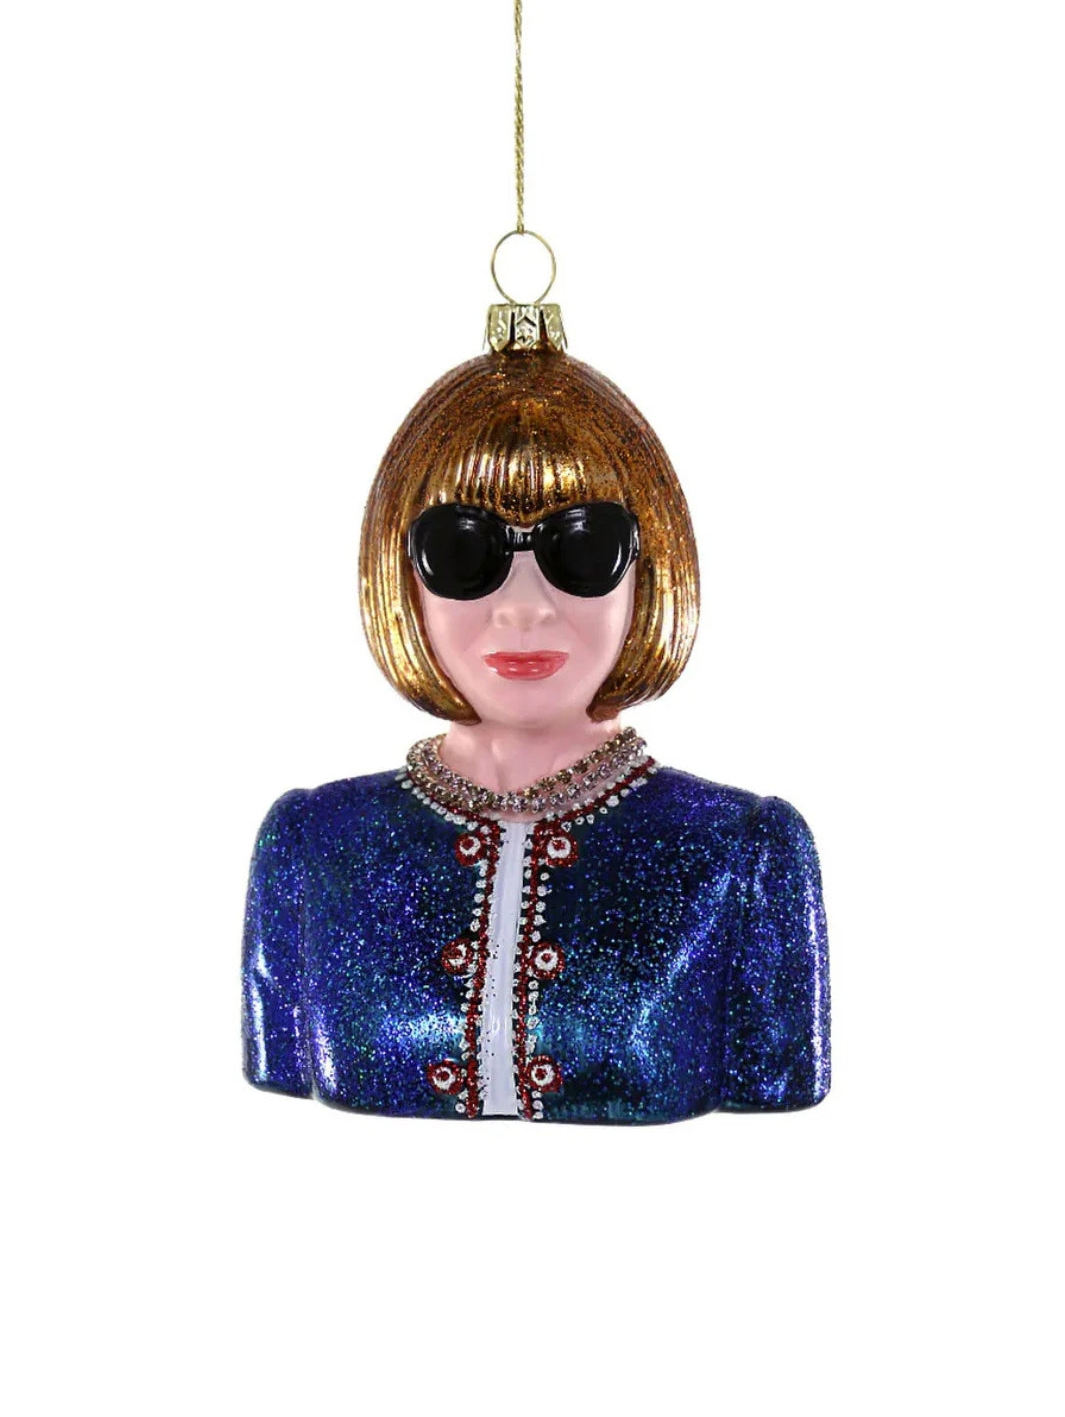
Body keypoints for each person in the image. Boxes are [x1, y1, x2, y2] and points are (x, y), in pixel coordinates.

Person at [242, 349, 830, 1123]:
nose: (524, 606)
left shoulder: (743, 850)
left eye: (580, 551)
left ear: (648, 570)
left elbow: (775, 1143)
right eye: (463, 552)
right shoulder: (313, 842)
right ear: (401, 572)